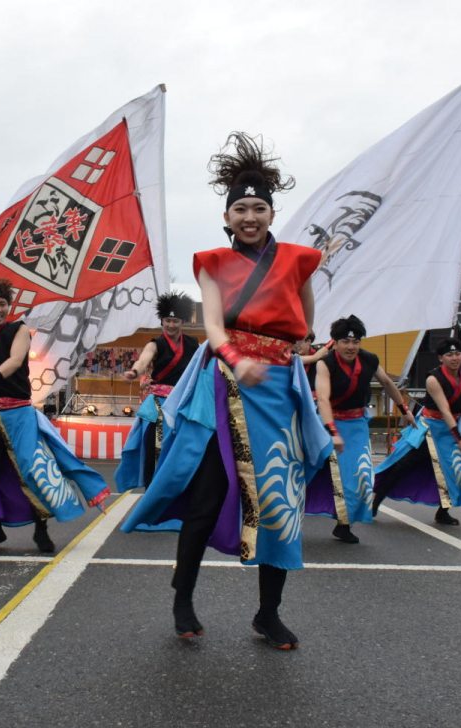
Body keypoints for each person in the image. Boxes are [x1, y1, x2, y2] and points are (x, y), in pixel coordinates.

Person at [120, 132, 331, 649]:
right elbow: (212, 327)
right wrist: (240, 358)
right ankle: (182, 594)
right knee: (209, 497)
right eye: (241, 208)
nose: (250, 217)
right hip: (227, 388)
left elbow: (305, 324)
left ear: (271, 213)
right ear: (227, 217)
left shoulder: (300, 260)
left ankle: (268, 613)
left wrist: (294, 346)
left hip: (279, 391)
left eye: (259, 207)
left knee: (280, 503)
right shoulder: (212, 262)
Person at [0, 278, 110, 553]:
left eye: (3, 303)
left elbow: (14, 362)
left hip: (19, 413)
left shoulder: (18, 330)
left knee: (33, 471)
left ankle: (41, 529)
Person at [307, 315, 415, 544]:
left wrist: (404, 409)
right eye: (346, 341)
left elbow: (387, 383)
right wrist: (332, 431)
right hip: (326, 424)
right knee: (307, 471)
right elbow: (323, 400)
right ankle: (281, 517)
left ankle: (343, 524)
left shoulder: (369, 360)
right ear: (335, 343)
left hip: (356, 425)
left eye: (356, 342)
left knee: (361, 478)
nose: (351, 347)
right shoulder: (325, 363)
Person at [372, 337, 461, 526]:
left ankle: (443, 511)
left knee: (457, 471)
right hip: (430, 429)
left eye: (457, 354)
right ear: (440, 358)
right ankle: (375, 502)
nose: (454, 358)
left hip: (453, 428)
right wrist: (459, 438)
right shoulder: (434, 378)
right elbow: (444, 409)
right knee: (402, 466)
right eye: (449, 354)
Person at [115, 291, 200, 494]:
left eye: (175, 321)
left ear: (183, 322)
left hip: (184, 404)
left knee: (184, 450)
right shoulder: (155, 343)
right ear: (162, 321)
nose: (171, 325)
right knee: (156, 450)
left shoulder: (193, 344)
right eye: (167, 320)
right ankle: (152, 494)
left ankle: (181, 494)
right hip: (160, 406)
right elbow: (144, 360)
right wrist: (135, 371)